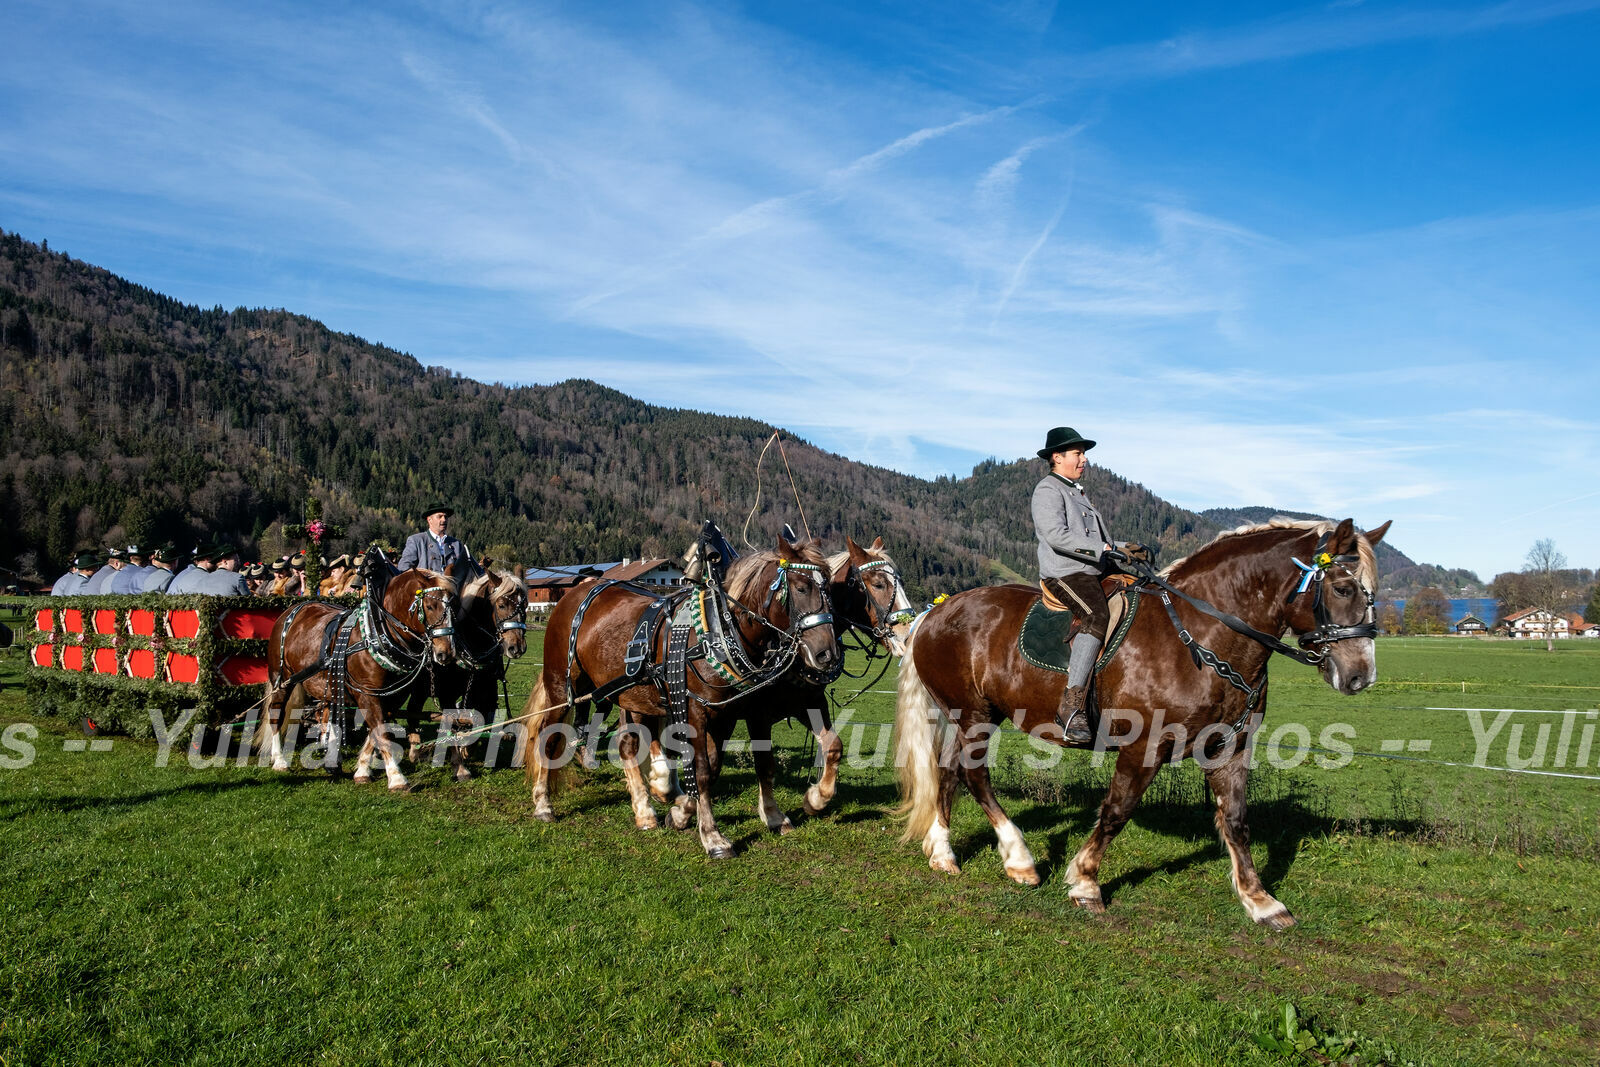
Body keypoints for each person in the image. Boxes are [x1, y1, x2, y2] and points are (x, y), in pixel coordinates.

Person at [1031, 426, 1150, 744]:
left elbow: (1097, 540)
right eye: (1077, 453)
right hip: (1065, 574)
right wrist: (1104, 550)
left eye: (1084, 453)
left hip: (1093, 570)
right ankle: (1070, 708)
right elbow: (1056, 536)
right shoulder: (1048, 490)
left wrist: (1124, 547)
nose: (1083, 459)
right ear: (1057, 457)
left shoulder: (1076, 491)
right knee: (1096, 615)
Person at [398, 505, 473, 575]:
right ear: (429, 520)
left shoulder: (456, 544)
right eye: (439, 516)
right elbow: (403, 567)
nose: (444, 520)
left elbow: (466, 571)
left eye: (445, 517)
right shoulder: (416, 541)